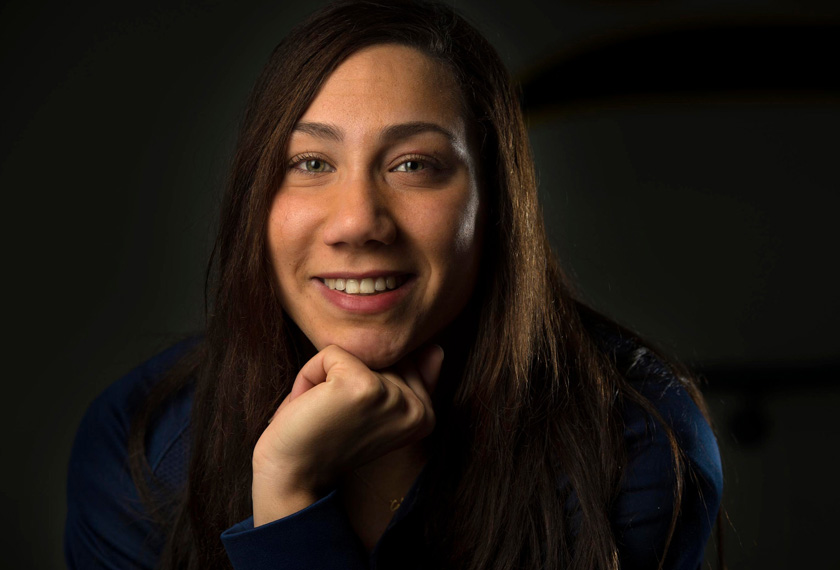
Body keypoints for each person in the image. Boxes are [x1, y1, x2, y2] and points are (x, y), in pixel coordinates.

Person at [65, 1, 723, 569]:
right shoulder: (140, 450)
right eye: (310, 162)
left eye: (414, 164)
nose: (358, 222)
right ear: (254, 202)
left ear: (493, 202)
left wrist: (287, 502)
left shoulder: (636, 440)